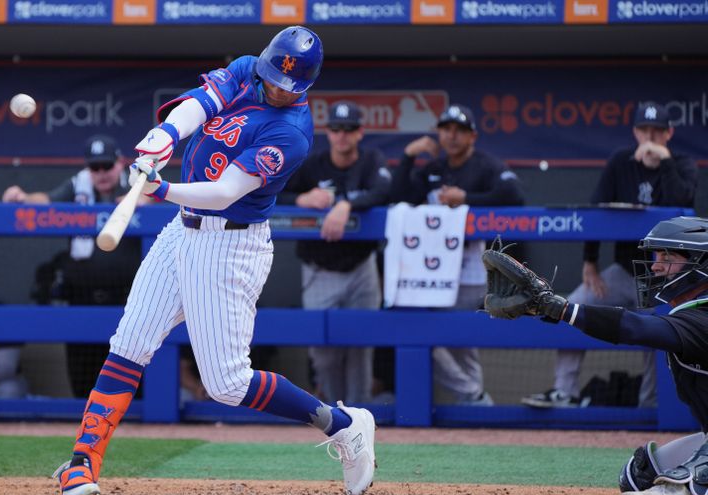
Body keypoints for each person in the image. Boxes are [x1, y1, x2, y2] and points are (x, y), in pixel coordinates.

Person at [52, 26, 376, 495]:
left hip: (230, 247)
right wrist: (163, 136)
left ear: (305, 85)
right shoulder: (248, 69)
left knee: (226, 384)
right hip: (181, 232)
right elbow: (199, 106)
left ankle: (343, 425)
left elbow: (226, 192)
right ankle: (83, 460)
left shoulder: (291, 134)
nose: (274, 86)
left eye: (286, 83)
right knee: (130, 342)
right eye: (270, 75)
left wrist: (160, 190)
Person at [482, 216, 708, 495]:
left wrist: (562, 308)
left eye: (667, 258)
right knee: (638, 476)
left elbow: (636, 328)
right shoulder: (689, 314)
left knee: (677, 484)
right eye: (657, 256)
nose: (655, 266)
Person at [522, 101, 698, 409]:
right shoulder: (621, 161)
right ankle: (565, 391)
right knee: (573, 304)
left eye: (657, 131)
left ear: (669, 133)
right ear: (635, 131)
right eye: (644, 130)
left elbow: (681, 201)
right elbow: (597, 208)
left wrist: (665, 162)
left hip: (668, 277)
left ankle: (650, 405)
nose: (650, 138)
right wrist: (590, 262)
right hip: (623, 270)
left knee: (660, 334)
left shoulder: (682, 165)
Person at [392, 104, 524, 406]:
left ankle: (474, 401)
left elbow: (515, 195)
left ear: (472, 136)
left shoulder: (485, 165)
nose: (451, 136)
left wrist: (467, 199)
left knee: (461, 340)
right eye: (446, 129)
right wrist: (409, 157)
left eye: (459, 131)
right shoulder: (434, 168)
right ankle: (473, 396)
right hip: (430, 269)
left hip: (469, 266)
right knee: (426, 335)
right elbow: (397, 196)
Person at [2, 135, 145, 398]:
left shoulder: (137, 184)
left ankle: (141, 434)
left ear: (119, 163)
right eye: (95, 167)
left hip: (129, 299)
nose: (101, 173)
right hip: (83, 297)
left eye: (106, 166)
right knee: (84, 378)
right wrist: (23, 196)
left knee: (131, 378)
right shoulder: (77, 185)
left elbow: (160, 206)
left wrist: (144, 201)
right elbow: (45, 201)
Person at [278, 101, 391, 405]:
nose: (342, 135)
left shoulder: (370, 160)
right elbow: (275, 191)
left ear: (359, 133)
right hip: (320, 269)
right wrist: (301, 198)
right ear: (328, 132)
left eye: (349, 129)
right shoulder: (312, 164)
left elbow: (383, 190)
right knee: (324, 353)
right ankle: (336, 417)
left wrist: (347, 204)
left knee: (360, 349)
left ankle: (359, 416)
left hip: (360, 268)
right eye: (337, 129)